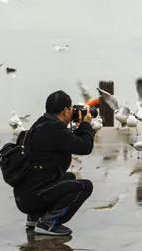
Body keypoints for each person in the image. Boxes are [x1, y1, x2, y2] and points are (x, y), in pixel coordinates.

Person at [13, 90, 96, 235]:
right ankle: (48, 223)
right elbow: (85, 147)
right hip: (36, 196)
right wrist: (86, 125)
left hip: (24, 196)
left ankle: (35, 217)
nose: (73, 112)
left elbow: (67, 141)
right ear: (65, 110)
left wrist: (78, 126)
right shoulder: (54, 129)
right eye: (71, 109)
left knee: (69, 177)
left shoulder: (41, 124)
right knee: (84, 186)